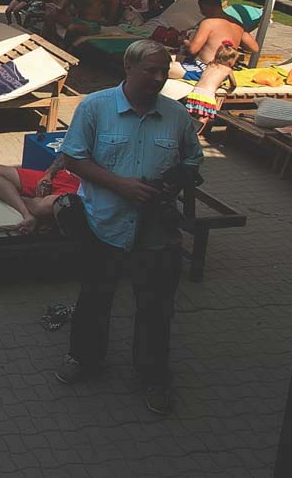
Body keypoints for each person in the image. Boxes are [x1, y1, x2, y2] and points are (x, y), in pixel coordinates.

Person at [54, 39, 203, 416]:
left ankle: (153, 375)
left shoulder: (176, 115)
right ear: (128, 67)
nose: (158, 78)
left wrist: (174, 182)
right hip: (103, 221)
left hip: (156, 229)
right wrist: (121, 185)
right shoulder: (95, 107)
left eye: (163, 70)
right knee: (95, 296)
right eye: (150, 70)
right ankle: (84, 357)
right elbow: (73, 158)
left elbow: (193, 159)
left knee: (156, 306)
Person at [0, 155, 81, 234]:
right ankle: (27, 214)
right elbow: (64, 156)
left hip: (78, 187)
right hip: (62, 175)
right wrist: (48, 176)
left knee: (43, 207)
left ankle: (8, 195)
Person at [175, 0, 260, 79]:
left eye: (201, 9)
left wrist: (184, 40)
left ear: (205, 7)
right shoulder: (237, 25)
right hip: (225, 70)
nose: (201, 13)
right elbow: (255, 48)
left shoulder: (208, 23)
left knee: (168, 67)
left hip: (205, 68)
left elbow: (193, 49)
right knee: (174, 59)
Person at [181, 41, 242, 134]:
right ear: (231, 60)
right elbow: (233, 84)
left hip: (195, 92)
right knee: (204, 117)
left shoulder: (210, 64)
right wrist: (229, 90)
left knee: (192, 114)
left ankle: (183, 132)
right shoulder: (228, 70)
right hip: (207, 95)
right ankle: (195, 135)